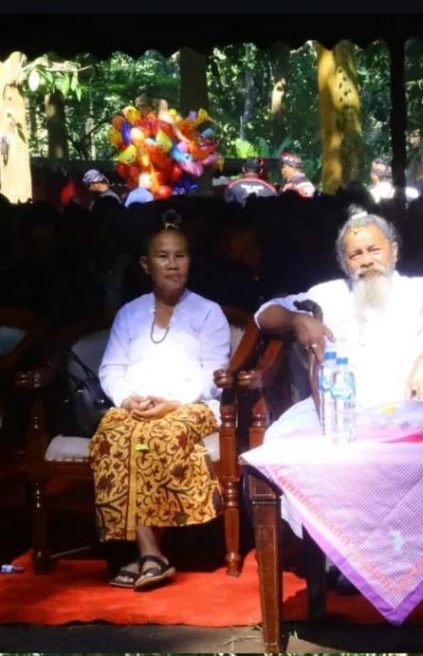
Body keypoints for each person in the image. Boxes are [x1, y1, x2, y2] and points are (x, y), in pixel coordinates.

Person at [255, 208, 423, 461]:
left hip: (403, 409)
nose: (366, 261)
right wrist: (297, 319)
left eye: (374, 250)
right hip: (333, 411)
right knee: (277, 440)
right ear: (344, 262)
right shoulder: (327, 295)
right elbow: (265, 314)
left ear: (394, 251)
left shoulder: (422, 290)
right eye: (356, 254)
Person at [89, 212, 231, 591]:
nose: (172, 264)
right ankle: (151, 553)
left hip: (191, 407)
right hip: (136, 408)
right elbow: (111, 369)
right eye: (163, 256)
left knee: (158, 437)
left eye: (180, 256)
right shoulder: (130, 313)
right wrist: (127, 399)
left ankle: (148, 555)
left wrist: (172, 402)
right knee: (113, 434)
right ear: (145, 264)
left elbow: (214, 376)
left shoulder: (208, 312)